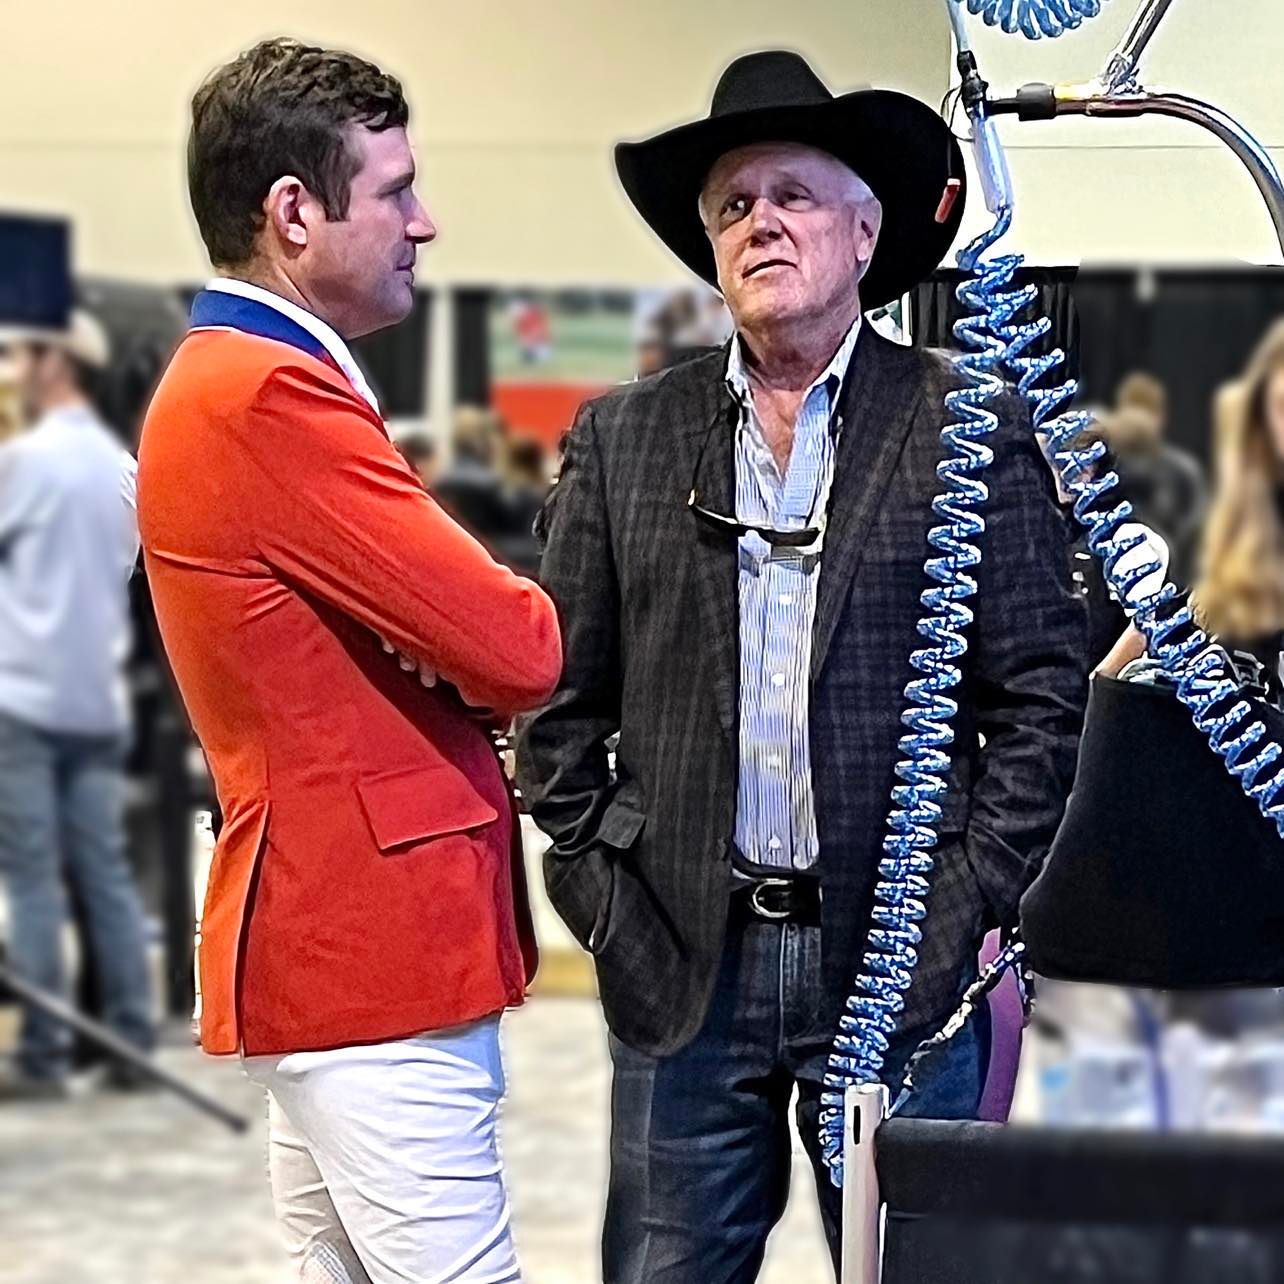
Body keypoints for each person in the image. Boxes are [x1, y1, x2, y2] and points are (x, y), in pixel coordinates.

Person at [518, 50, 1087, 1281]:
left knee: (918, 1270)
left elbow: (1042, 697)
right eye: (734, 204)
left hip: (897, 963)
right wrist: (604, 896)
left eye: (793, 195)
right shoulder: (626, 439)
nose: (759, 222)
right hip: (682, 963)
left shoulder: (967, 426)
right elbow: (554, 700)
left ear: (865, 233)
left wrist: (964, 900)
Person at [138, 39, 561, 1283]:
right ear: (293, 214)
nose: (423, 224)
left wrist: (439, 642)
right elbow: (513, 646)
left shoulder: (245, 380)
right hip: (371, 951)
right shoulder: (267, 395)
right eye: (395, 191)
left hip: (335, 941)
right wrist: (465, 640)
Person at [0, 308, 155, 1099]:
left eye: (21, 356)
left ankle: (44, 1055)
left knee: (33, 881)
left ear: (53, 362)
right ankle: (130, 1040)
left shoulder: (21, 463)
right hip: (97, 701)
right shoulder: (125, 472)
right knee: (103, 874)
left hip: (22, 698)